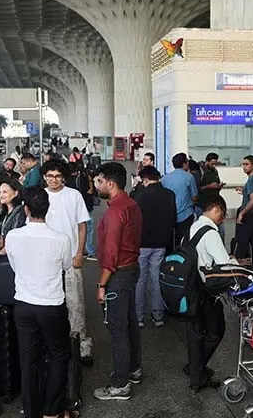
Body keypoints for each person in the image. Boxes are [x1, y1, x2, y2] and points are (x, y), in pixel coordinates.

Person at [4, 187, 75, 418]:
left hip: (23, 304)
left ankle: (31, 411)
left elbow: (13, 265)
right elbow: (66, 266)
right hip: (52, 305)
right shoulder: (61, 239)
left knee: (28, 359)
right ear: (48, 209)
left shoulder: (13, 237)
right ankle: (52, 410)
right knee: (58, 354)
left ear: (25, 209)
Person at [93, 162, 143, 401]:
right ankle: (133, 369)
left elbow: (111, 254)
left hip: (117, 275)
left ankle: (120, 384)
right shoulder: (131, 205)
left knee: (118, 329)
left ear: (110, 183)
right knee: (130, 323)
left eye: (99, 181)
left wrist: (102, 285)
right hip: (131, 269)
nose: (97, 184)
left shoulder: (115, 212)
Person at [43, 159, 93, 363]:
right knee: (50, 305)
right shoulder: (39, 197)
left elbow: (82, 226)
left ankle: (82, 346)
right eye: (49, 176)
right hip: (46, 261)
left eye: (57, 176)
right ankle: (54, 345)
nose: (53, 180)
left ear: (63, 177)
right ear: (45, 177)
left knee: (76, 303)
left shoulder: (74, 195)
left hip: (71, 258)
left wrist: (80, 252)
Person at [186, 195, 234, 391]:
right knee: (216, 330)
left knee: (196, 333)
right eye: (222, 214)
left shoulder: (194, 226)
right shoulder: (211, 233)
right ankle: (197, 373)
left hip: (191, 287)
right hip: (206, 291)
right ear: (215, 208)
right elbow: (225, 264)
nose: (222, 218)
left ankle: (195, 368)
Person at [132, 166, 176, 328]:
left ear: (144, 180)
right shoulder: (169, 195)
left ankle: (139, 317)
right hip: (161, 243)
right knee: (157, 278)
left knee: (140, 279)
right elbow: (173, 219)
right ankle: (158, 316)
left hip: (142, 243)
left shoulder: (140, 195)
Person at [161, 152, 199, 253]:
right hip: (185, 215)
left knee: (170, 242)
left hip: (169, 215)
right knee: (184, 242)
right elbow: (194, 197)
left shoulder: (165, 178)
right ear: (184, 164)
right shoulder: (189, 177)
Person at [234, 155, 253, 269]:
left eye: (247, 164)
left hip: (249, 216)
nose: (244, 167)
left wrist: (241, 214)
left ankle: (238, 270)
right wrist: (244, 191)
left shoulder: (252, 180)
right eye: (243, 164)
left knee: (242, 244)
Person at [0, 180, 26, 255]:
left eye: (5, 192)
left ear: (16, 193)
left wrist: (0, 254)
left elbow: (16, 239)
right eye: (0, 192)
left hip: (12, 257)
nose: (0, 195)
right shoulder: (4, 213)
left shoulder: (20, 212)